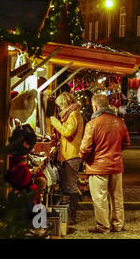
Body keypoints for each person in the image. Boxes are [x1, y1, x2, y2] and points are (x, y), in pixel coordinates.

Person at [80, 94, 131, 234]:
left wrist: (84, 158)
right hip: (116, 165)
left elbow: (85, 148)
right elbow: (127, 143)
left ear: (95, 106)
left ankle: (103, 226)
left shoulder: (92, 124)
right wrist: (116, 152)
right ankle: (118, 224)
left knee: (100, 198)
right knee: (117, 197)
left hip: (97, 167)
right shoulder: (119, 122)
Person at [50, 92, 84, 225]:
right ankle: (68, 215)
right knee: (67, 186)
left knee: (70, 186)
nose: (59, 109)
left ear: (64, 104)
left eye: (60, 106)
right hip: (69, 154)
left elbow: (67, 132)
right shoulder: (73, 114)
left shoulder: (74, 115)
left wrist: (55, 122)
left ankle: (72, 216)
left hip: (71, 155)